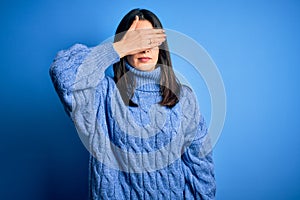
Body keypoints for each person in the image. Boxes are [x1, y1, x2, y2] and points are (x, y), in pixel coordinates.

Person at [49, 8, 216, 200]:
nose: (144, 49)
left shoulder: (183, 97)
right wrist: (118, 48)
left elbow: (201, 165)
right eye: (137, 41)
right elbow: (62, 72)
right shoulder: (103, 94)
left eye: (150, 41)